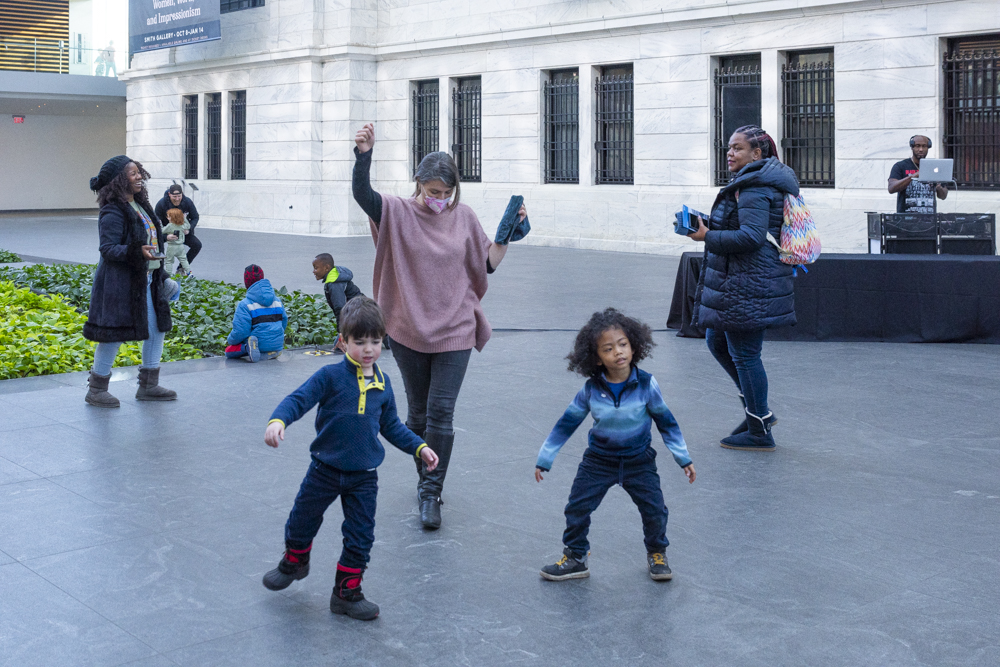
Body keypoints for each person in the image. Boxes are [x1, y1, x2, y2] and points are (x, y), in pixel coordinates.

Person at [352, 122, 528, 530]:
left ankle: (431, 493)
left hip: (455, 328)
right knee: (416, 416)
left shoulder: (463, 217)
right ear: (419, 185)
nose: (440, 200)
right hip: (409, 325)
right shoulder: (396, 212)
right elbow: (363, 196)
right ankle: (426, 475)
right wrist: (364, 156)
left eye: (447, 194)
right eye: (433, 193)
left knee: (441, 412)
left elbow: (486, 264)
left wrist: (508, 234)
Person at [261, 297, 440, 621]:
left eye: (375, 340)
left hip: (363, 476)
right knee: (302, 519)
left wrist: (419, 446)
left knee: (361, 534)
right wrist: (278, 420)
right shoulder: (329, 377)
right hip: (324, 469)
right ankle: (295, 560)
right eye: (360, 341)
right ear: (343, 342)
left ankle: (346, 593)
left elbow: (392, 426)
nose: (369, 348)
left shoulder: (383, 385)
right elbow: (298, 399)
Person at [534, 308, 695, 582]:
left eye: (623, 345)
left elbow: (666, 422)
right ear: (596, 358)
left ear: (634, 346)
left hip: (639, 461)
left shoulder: (646, 384)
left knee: (654, 509)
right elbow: (566, 424)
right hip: (598, 462)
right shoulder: (591, 389)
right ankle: (576, 557)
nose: (618, 352)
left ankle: (657, 553)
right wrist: (545, 457)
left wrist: (684, 458)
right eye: (608, 349)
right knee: (577, 507)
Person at [686, 125, 798, 452]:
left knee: (746, 355)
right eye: (729, 148)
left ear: (757, 154)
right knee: (717, 340)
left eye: (737, 148)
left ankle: (759, 427)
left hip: (747, 283)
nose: (730, 154)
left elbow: (750, 237)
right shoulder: (755, 182)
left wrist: (706, 237)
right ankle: (757, 412)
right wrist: (706, 223)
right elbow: (747, 227)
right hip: (745, 280)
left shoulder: (754, 186)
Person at [83, 155, 177, 407]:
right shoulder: (113, 210)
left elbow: (152, 245)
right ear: (118, 180)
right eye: (132, 173)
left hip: (147, 280)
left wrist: (163, 276)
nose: (139, 177)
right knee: (112, 335)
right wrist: (136, 252)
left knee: (157, 329)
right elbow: (108, 249)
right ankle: (96, 389)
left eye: (139, 172)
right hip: (119, 284)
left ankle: (149, 385)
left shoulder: (141, 205)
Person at [225, 264, 287, 362]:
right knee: (269, 345)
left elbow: (241, 331)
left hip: (258, 343)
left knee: (229, 351)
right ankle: (271, 352)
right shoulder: (277, 301)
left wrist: (231, 340)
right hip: (277, 343)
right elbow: (284, 321)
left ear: (246, 283)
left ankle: (248, 348)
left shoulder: (245, 304)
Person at [888, 135, 948, 214]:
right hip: (905, 219)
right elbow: (891, 188)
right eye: (917, 146)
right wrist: (913, 176)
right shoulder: (900, 166)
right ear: (912, 147)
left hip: (929, 219)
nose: (921, 149)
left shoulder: (934, 167)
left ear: (928, 147)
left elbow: (943, 196)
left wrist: (938, 187)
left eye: (924, 146)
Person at [312, 252, 363, 332]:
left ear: (327, 268)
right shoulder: (334, 277)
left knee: (339, 344)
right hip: (359, 316)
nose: (313, 271)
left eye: (316, 268)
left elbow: (340, 308)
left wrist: (341, 332)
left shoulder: (334, 284)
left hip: (359, 318)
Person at [154, 184, 202, 265]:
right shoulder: (161, 204)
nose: (177, 199)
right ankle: (160, 271)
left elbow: (195, 217)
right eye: (174, 197)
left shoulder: (187, 202)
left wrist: (189, 229)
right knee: (157, 245)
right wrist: (166, 237)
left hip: (182, 232)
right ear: (169, 194)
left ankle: (181, 268)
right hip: (167, 231)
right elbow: (156, 224)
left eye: (179, 196)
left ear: (182, 194)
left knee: (197, 245)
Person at [162, 208, 191, 277]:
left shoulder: (170, 225)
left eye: (169, 216)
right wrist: (185, 218)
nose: (167, 217)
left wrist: (160, 225)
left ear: (172, 218)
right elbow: (188, 226)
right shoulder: (182, 225)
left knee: (169, 261)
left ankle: (168, 274)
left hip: (172, 246)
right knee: (184, 260)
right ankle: (189, 272)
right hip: (181, 246)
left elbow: (162, 231)